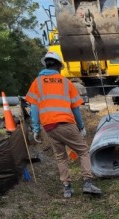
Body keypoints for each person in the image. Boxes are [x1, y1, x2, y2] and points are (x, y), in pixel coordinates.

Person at [25, 51, 102, 198]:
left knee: (60, 156)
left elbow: (34, 107)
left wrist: (36, 129)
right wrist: (81, 127)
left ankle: (67, 188)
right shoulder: (66, 83)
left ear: (46, 65)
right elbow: (75, 108)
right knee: (83, 151)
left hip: (49, 126)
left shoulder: (37, 82)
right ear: (59, 66)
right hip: (65, 123)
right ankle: (87, 183)